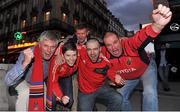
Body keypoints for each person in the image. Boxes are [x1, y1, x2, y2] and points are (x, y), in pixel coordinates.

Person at [102, 4, 172, 111]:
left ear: (120, 40)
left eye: (115, 42)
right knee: (119, 98)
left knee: (149, 92)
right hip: (128, 78)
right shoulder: (103, 53)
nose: (113, 47)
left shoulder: (129, 44)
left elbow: (141, 36)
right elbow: (88, 51)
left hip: (146, 69)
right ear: (105, 46)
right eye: (108, 45)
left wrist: (158, 26)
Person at [4, 30, 59, 111]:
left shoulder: (56, 55)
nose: (49, 50)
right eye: (46, 46)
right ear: (39, 45)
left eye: (52, 47)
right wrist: (25, 63)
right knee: (26, 92)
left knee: (47, 98)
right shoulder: (28, 53)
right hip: (22, 80)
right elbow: (7, 81)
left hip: (39, 81)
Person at [77, 38, 123, 111]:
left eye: (95, 49)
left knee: (118, 98)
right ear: (86, 49)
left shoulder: (105, 62)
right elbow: (65, 45)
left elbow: (111, 72)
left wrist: (116, 79)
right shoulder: (82, 52)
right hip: (85, 92)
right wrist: (60, 48)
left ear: (100, 49)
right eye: (89, 49)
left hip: (99, 88)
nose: (92, 53)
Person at [51, 41, 79, 110]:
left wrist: (100, 54)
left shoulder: (79, 53)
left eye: (74, 55)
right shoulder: (57, 62)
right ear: (63, 55)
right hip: (54, 77)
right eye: (68, 55)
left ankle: (63, 107)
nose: (71, 59)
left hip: (66, 76)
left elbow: (90, 48)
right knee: (52, 100)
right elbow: (53, 82)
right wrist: (61, 97)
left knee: (70, 101)